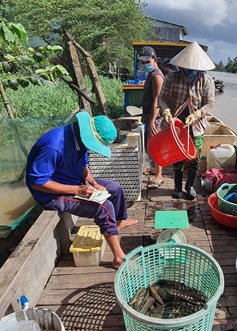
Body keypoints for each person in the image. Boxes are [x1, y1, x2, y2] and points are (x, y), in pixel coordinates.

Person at [25, 111, 138, 269]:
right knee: (105, 208)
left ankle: (119, 221)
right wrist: (76, 190)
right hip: (51, 193)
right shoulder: (54, 146)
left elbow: (83, 165)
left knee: (115, 188)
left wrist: (92, 182)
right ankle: (118, 257)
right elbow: (37, 182)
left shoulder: (78, 137)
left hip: (72, 179)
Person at [159, 41, 216, 200]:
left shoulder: (206, 80)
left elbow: (210, 103)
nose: (189, 72)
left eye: (192, 69)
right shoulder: (171, 77)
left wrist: (197, 114)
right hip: (175, 124)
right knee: (176, 155)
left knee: (194, 157)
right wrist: (166, 111)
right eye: (186, 69)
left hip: (196, 125)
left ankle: (189, 186)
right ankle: (177, 187)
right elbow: (162, 99)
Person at [138, 46, 165, 189]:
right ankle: (155, 169)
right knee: (149, 146)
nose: (144, 64)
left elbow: (157, 100)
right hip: (148, 115)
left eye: (146, 61)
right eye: (142, 62)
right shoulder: (151, 74)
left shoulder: (157, 76)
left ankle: (159, 175)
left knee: (156, 146)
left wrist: (152, 121)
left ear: (154, 59)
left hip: (156, 117)